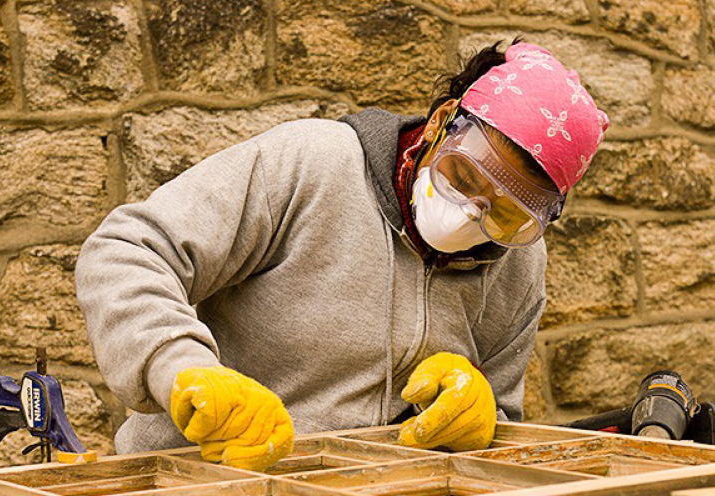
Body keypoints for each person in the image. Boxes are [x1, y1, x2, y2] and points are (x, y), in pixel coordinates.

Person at [75, 39, 609, 471]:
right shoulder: (311, 165)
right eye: (463, 176)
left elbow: (494, 436)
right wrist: (180, 368)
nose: (472, 214)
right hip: (196, 480)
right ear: (444, 121)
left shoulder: (520, 267)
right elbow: (128, 249)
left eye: (507, 213)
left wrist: (479, 417)